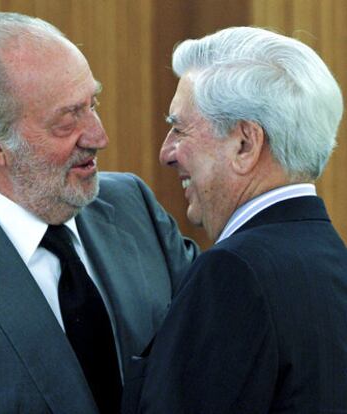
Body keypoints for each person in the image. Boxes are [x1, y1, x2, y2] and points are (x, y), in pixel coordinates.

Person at [0, 12, 198, 414]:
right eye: (67, 119)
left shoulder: (132, 205)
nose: (98, 136)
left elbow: (211, 350)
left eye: (92, 104)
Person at [122, 27, 347, 413]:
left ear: (245, 143)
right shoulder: (332, 260)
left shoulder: (233, 273)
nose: (167, 153)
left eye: (179, 128)